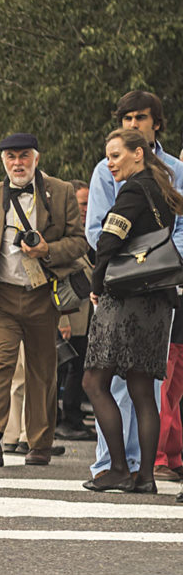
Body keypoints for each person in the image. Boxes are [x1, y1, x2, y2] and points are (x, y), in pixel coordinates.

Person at [0, 133, 87, 467]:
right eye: (11, 157)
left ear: (36, 158)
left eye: (24, 156)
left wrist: (47, 249)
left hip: (44, 295)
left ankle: (40, 443)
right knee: (2, 360)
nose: (18, 163)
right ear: (3, 160)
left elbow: (78, 243)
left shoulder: (60, 192)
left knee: (42, 369)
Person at [82, 91, 183, 484]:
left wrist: (96, 280)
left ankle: (117, 468)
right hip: (158, 295)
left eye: (116, 157)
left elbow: (107, 238)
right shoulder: (160, 183)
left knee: (96, 381)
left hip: (125, 295)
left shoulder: (133, 187)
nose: (110, 164)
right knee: (143, 388)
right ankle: (144, 476)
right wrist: (161, 268)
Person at [55, 179, 94, 441]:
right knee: (67, 367)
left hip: (87, 314)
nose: (86, 207)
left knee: (79, 365)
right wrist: (63, 320)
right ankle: (64, 418)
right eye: (82, 203)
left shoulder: (92, 230)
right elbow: (57, 279)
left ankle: (73, 416)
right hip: (68, 314)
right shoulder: (63, 234)